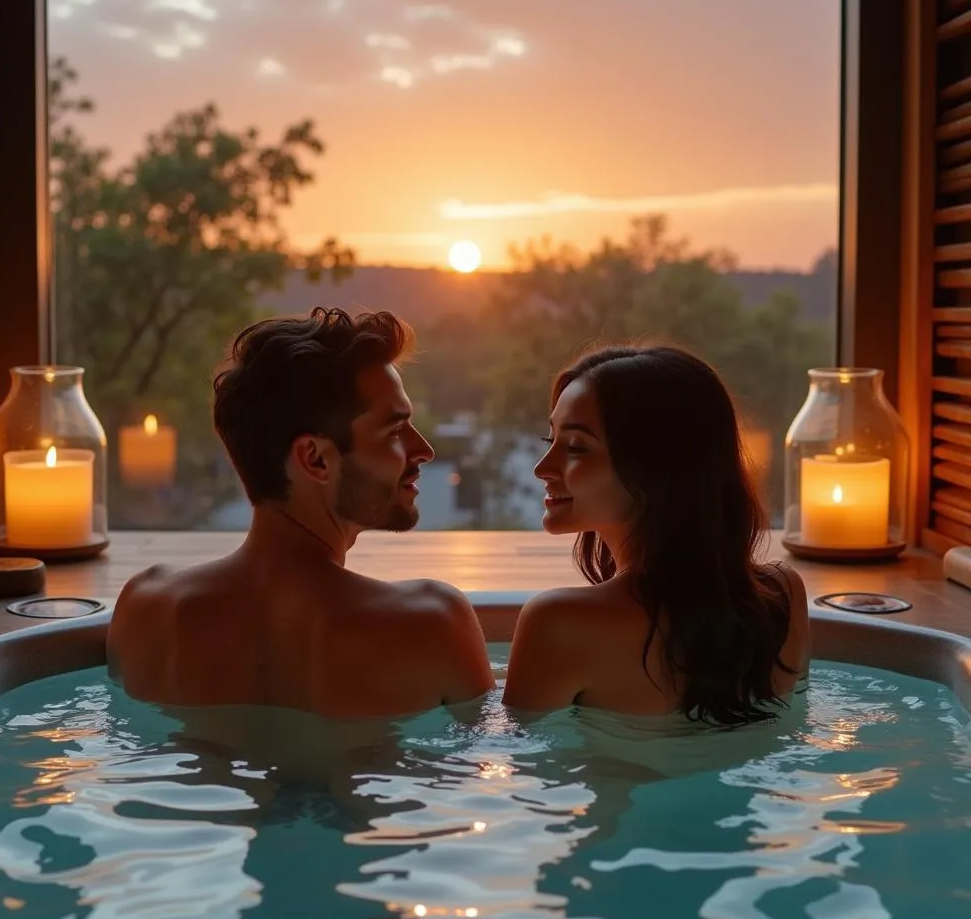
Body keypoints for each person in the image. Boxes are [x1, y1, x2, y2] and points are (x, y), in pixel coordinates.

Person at [107, 307, 494, 717]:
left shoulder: (146, 609)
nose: (424, 451)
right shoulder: (431, 624)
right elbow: (486, 765)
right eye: (395, 431)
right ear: (316, 459)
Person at [502, 344, 810, 725]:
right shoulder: (783, 596)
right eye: (551, 442)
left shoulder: (558, 623)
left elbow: (523, 763)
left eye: (577, 447)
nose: (542, 468)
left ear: (656, 470)